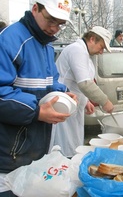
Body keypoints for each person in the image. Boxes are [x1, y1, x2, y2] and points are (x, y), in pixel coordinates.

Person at [0, 0, 77, 196]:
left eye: (60, 23)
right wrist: (37, 112)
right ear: (35, 9)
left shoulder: (46, 46)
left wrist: (63, 93)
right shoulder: (10, 40)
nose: (54, 28)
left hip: (34, 145)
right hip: (9, 149)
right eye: (51, 20)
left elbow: (50, 82)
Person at [49, 26, 114, 158]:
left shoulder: (85, 54)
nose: (101, 52)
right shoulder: (77, 50)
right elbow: (84, 84)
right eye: (101, 47)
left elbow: (76, 82)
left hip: (73, 106)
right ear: (92, 39)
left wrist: (86, 101)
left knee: (73, 145)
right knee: (63, 148)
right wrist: (105, 101)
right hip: (63, 106)